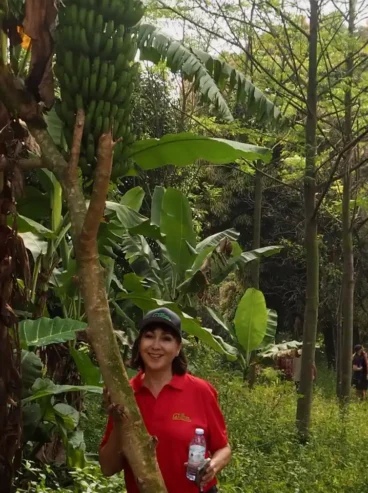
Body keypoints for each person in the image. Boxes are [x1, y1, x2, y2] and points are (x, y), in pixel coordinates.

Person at [99, 307, 231, 493]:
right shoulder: (126, 394)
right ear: (139, 344)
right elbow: (107, 468)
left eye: (166, 339)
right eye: (149, 336)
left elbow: (223, 448)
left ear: (178, 348)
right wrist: (119, 420)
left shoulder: (200, 391)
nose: (155, 345)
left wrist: (213, 466)